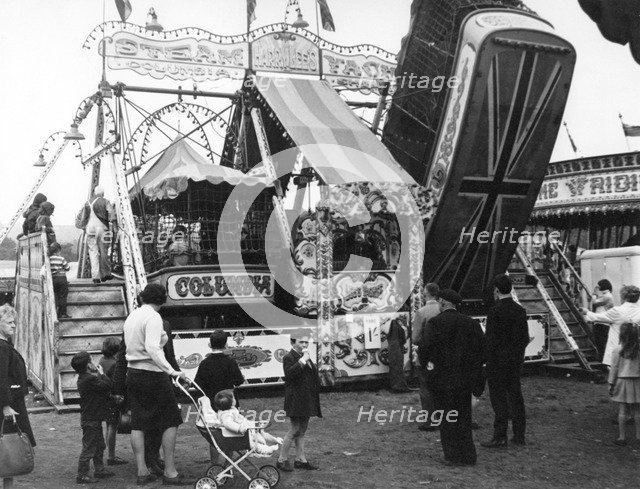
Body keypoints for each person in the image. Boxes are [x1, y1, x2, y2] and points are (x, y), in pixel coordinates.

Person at [123, 283, 193, 486]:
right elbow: (153, 348)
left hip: (133, 372)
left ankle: (142, 471)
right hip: (152, 374)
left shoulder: (132, 316)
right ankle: (170, 472)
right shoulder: (154, 317)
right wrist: (171, 371)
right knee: (170, 420)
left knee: (139, 422)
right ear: (162, 299)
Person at [418, 289, 485, 466]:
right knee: (464, 417)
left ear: (444, 303)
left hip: (442, 379)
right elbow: (480, 351)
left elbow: (425, 349)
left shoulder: (435, 323)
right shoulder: (471, 323)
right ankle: (468, 455)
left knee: (447, 419)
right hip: (464, 380)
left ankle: (452, 455)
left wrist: (427, 368)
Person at [112, 318, 181, 476]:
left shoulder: (132, 322)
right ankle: (155, 460)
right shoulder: (163, 323)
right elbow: (168, 355)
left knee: (141, 423)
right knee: (166, 421)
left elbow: (123, 356)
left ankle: (147, 462)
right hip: (158, 377)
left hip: (136, 378)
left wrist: (118, 387)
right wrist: (175, 375)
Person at [480, 274, 530, 448]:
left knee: (499, 400)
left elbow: (491, 340)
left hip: (497, 363)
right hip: (514, 362)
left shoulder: (494, 311)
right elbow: (524, 338)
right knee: (516, 397)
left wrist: (488, 360)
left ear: (496, 290)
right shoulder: (520, 310)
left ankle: (500, 435)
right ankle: (519, 435)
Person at [0, 305, 36, 489]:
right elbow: (1, 377)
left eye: (14, 322)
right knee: (8, 451)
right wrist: (5, 405)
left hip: (11, 402)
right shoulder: (2, 347)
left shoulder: (5, 344)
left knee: (8, 455)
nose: (14, 325)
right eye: (9, 322)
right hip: (8, 406)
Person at [277, 330, 322, 472]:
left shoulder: (305, 357)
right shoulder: (289, 357)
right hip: (295, 399)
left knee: (302, 430)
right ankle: (282, 459)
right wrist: (303, 360)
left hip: (307, 398)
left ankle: (301, 459)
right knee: (294, 429)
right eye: (300, 342)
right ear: (292, 342)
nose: (304, 344)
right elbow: (290, 374)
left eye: (305, 342)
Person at [71, 350, 115, 484]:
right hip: (91, 419)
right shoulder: (90, 379)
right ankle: (82, 474)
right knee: (89, 448)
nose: (93, 363)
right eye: (91, 360)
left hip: (91, 418)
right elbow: (108, 386)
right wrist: (102, 373)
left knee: (98, 445)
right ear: (87, 365)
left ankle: (99, 469)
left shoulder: (83, 378)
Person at [582, 285, 640, 367]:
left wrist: (587, 312)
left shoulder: (617, 311)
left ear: (624, 298)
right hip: (635, 350)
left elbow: (598, 317)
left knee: (614, 374)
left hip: (618, 349)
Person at [214, 390, 282, 456]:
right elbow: (228, 424)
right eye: (234, 398)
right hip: (238, 435)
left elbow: (242, 420)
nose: (235, 399)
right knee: (253, 443)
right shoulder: (226, 414)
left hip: (243, 431)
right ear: (230, 402)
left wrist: (253, 423)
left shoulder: (230, 411)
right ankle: (265, 450)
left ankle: (273, 440)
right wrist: (239, 428)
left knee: (260, 433)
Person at [411, 282, 440, 431]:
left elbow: (415, 338)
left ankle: (430, 420)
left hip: (426, 355)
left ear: (426, 293)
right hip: (442, 355)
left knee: (426, 388)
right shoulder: (443, 310)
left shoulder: (422, 312)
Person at [608, 322, 640, 445]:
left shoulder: (617, 350)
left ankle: (622, 437)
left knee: (622, 411)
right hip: (637, 381)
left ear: (621, 335)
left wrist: (611, 383)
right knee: (637, 411)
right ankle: (638, 436)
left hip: (622, 382)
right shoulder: (639, 349)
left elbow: (614, 368)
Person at [99, 337, 127, 466]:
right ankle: (111, 456)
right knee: (112, 426)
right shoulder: (115, 364)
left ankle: (110, 454)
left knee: (109, 426)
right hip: (112, 397)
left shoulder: (102, 361)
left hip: (104, 397)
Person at [84, 186, 116, 284]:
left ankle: (96, 277)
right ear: (103, 193)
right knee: (103, 251)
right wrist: (114, 225)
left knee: (93, 252)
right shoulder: (105, 201)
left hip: (90, 229)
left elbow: (83, 217)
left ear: (94, 193)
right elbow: (111, 215)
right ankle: (105, 274)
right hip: (102, 228)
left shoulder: (87, 202)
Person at [591, 279, 615, 362]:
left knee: (601, 344)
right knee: (601, 343)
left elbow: (594, 302)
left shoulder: (606, 296)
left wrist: (594, 294)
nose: (596, 288)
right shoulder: (606, 295)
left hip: (602, 323)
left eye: (598, 286)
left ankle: (603, 362)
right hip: (602, 322)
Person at [48, 242, 71, 319]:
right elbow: (67, 268)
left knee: (55, 296)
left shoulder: (48, 259)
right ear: (58, 251)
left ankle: (54, 313)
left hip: (53, 279)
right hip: (62, 279)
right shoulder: (61, 258)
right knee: (63, 296)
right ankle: (62, 313)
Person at [387, 318, 410, 392]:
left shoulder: (391, 336)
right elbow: (404, 339)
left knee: (394, 368)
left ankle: (395, 386)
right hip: (398, 350)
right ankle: (400, 386)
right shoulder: (401, 329)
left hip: (393, 350)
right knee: (399, 368)